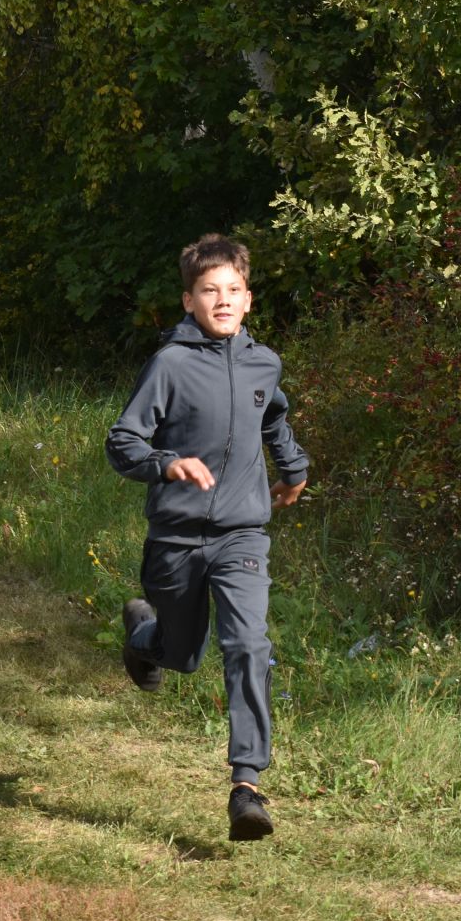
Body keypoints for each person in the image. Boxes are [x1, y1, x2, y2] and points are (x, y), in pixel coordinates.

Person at [106, 234, 310, 842]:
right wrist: (167, 462)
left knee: (248, 643)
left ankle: (246, 785)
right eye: (208, 291)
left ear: (248, 299)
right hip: (175, 536)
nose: (221, 301)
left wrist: (293, 467)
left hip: (243, 532)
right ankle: (145, 638)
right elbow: (123, 442)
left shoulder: (263, 361)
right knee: (183, 654)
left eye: (232, 291)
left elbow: (272, 412)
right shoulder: (169, 364)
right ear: (188, 300)